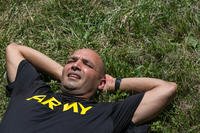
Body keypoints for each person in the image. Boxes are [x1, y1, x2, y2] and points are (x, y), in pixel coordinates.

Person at [0, 43, 177, 133]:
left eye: (87, 64)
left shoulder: (107, 114)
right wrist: (64, 72)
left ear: (100, 83)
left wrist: (114, 83)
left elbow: (166, 88)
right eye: (71, 61)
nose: (76, 65)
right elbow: (14, 49)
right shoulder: (31, 90)